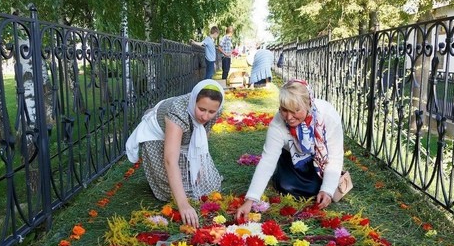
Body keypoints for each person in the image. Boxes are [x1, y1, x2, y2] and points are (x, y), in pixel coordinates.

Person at [236, 79, 344, 220]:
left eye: (296, 110)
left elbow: (335, 157)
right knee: (285, 185)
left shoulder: (328, 116)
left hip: (320, 158)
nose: (289, 117)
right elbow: (268, 160)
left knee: (317, 190)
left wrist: (327, 190)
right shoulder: (278, 123)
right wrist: (251, 199)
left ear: (308, 104)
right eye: (284, 110)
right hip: (291, 156)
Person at [126, 79, 225, 227]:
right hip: (157, 136)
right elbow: (170, 160)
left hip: (184, 135)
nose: (205, 117)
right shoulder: (177, 111)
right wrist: (183, 204)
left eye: (211, 112)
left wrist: (199, 168)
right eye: (201, 109)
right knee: (170, 192)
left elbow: (202, 140)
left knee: (208, 184)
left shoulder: (216, 111)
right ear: (193, 101)